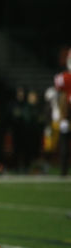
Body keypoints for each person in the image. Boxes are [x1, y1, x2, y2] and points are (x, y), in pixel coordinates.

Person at [54, 47, 71, 176]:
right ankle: (63, 171)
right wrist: (60, 115)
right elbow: (59, 96)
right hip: (67, 114)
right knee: (64, 144)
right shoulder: (63, 77)